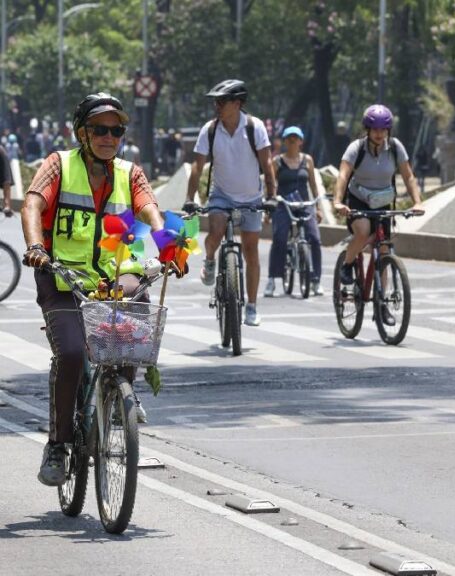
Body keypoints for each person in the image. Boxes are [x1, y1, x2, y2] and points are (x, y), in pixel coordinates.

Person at [21, 92, 168, 485]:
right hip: (63, 277)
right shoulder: (59, 165)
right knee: (70, 353)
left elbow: (150, 208)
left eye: (116, 130)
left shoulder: (129, 173)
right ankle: (58, 444)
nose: (109, 137)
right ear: (82, 133)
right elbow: (32, 203)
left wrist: (170, 244)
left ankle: (122, 393)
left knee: (136, 301)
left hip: (114, 275)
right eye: (100, 129)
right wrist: (36, 247)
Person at [183, 79, 276, 326]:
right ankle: (211, 259)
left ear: (237, 103)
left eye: (222, 101)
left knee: (251, 251)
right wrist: (189, 199)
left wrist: (272, 197)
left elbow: (267, 165)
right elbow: (197, 166)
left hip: (252, 196)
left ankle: (252, 306)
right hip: (221, 194)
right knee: (215, 233)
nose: (217, 105)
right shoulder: (210, 130)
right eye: (216, 101)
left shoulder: (254, 127)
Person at [332, 105, 423, 324]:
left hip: (382, 203)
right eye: (375, 130)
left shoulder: (394, 147)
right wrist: (337, 201)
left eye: (383, 130)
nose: (379, 134)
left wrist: (417, 202)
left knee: (384, 250)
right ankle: (347, 264)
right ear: (367, 129)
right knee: (362, 232)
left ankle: (381, 305)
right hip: (358, 201)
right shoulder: (356, 148)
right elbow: (343, 176)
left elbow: (408, 176)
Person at [265, 126, 324, 297]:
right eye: (289, 138)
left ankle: (315, 280)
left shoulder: (308, 160)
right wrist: (270, 206)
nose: (292, 141)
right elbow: (271, 184)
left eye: (295, 138)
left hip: (305, 203)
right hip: (284, 204)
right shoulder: (277, 161)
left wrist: (317, 206)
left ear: (301, 141)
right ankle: (272, 279)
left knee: (314, 238)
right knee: (279, 237)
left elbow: (313, 184)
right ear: (284, 141)